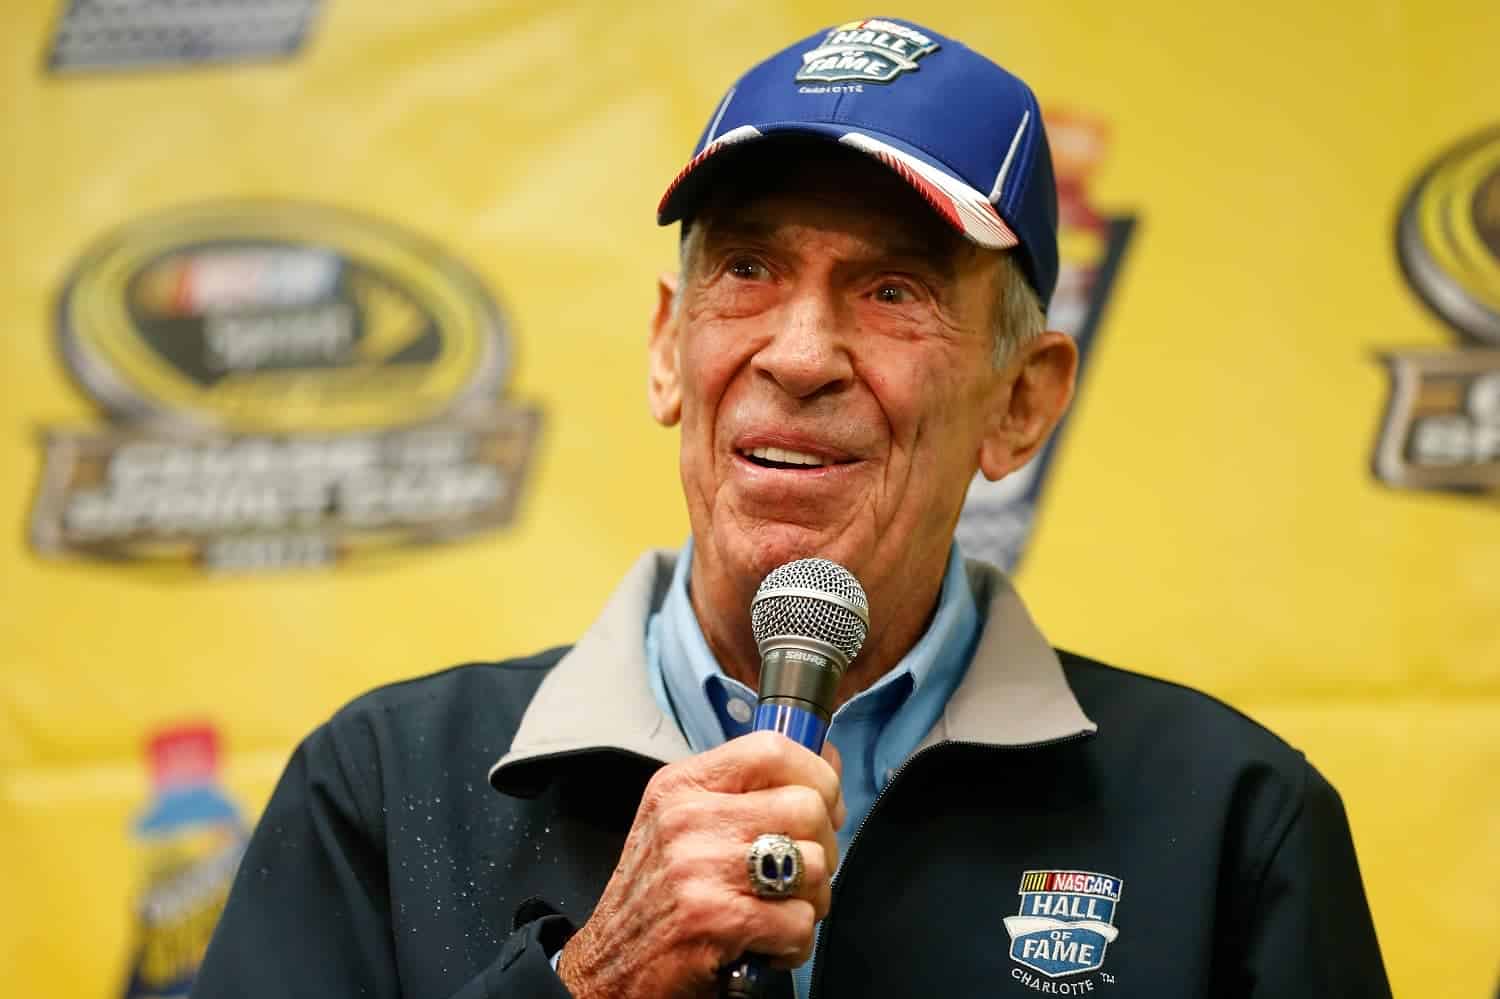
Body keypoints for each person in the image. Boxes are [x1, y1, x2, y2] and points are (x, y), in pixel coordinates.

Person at [195, 18, 1391, 999]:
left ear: (1021, 403)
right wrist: (593, 982)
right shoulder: (388, 788)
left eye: (890, 287)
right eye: (751, 272)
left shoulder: (1230, 821)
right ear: (671, 347)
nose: (801, 353)